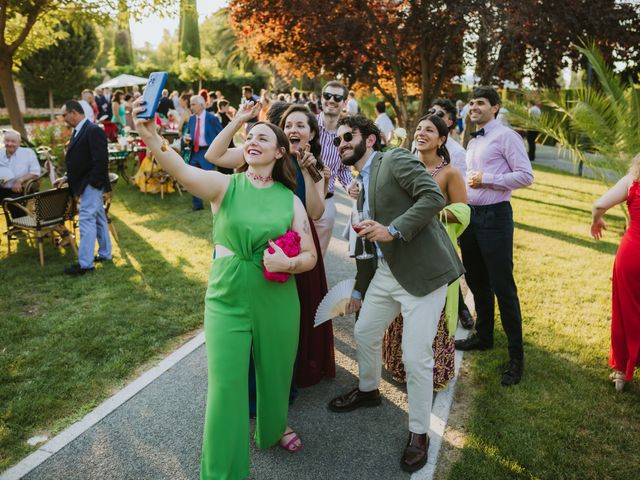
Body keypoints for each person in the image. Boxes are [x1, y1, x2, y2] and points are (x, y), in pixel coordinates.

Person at [132, 96, 317, 479]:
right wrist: (153, 140)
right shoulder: (224, 186)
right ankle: (222, 473)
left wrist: (290, 263)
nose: (253, 140)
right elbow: (182, 170)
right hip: (226, 298)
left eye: (264, 137)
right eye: (251, 136)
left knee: (276, 371)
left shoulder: (290, 200)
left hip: (278, 299)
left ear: (280, 151)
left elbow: (312, 255)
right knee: (225, 387)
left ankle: (270, 429)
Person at [328, 115, 464, 473]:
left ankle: (419, 432)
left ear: (370, 139)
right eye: (338, 139)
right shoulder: (361, 184)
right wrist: (359, 288)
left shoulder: (395, 159)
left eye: (348, 136)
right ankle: (369, 390)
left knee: (415, 355)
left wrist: (392, 229)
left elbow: (433, 196)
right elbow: (366, 244)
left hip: (423, 275)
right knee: (364, 331)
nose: (342, 143)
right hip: (387, 275)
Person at [382, 114, 469, 390]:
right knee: (402, 307)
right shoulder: (403, 164)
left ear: (442, 139)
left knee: (431, 312)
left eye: (429, 130)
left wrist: (430, 213)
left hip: (433, 254)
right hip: (402, 248)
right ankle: (398, 364)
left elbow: (464, 211)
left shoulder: (450, 173)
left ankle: (431, 373)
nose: (421, 133)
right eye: (418, 129)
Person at [454, 86, 534, 386]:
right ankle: (484, 337)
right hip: (471, 218)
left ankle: (516, 358)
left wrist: (488, 179)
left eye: (481, 103)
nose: (474, 107)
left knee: (503, 286)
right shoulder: (474, 140)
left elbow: (525, 175)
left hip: (496, 217)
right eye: (472, 103)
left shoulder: (506, 136)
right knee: (475, 280)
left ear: (495, 107)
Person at [591, 154, 640, 392]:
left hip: (632, 255)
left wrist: (597, 221)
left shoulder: (632, 180)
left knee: (625, 310)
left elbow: (599, 205)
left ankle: (621, 373)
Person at [428, 98, 474, 329]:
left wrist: (436, 214)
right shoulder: (417, 147)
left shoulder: (456, 154)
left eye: (439, 114)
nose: (433, 116)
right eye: (431, 112)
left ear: (449, 122)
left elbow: (460, 197)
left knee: (447, 271)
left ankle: (460, 310)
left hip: (443, 223)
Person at [55, 100, 112, 276]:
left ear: (74, 112)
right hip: (85, 183)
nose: (63, 119)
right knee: (99, 218)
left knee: (86, 220)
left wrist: (92, 185)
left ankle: (85, 264)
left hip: (91, 185)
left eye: (64, 115)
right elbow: (81, 162)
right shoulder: (78, 130)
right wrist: (66, 177)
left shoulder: (93, 130)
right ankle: (105, 254)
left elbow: (101, 161)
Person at [315, 80, 354, 255]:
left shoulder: (346, 135)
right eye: (327, 95)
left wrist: (349, 186)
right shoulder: (308, 126)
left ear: (344, 103)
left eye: (337, 97)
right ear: (321, 99)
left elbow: (344, 169)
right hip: (299, 198)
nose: (331, 100)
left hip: (327, 201)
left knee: (319, 254)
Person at [188, 95, 223, 211]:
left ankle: (217, 201)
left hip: (208, 151)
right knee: (192, 178)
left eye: (193, 104)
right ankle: (197, 205)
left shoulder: (212, 118)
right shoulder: (192, 119)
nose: (191, 106)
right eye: (191, 104)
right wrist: (186, 139)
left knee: (208, 179)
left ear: (202, 105)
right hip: (195, 151)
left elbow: (221, 135)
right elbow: (189, 133)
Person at [0, 130, 41, 211]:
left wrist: (20, 181)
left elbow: (35, 172)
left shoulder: (28, 153)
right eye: (7, 141)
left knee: (14, 203)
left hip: (21, 189)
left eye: (13, 141)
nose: (9, 144)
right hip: (2, 188)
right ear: (3, 141)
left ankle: (20, 222)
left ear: (19, 142)